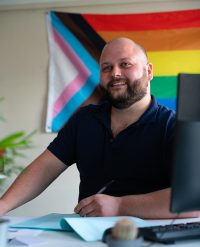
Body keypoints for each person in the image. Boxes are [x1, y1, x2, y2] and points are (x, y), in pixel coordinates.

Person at [0, 37, 198, 219]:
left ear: (149, 71)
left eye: (125, 64)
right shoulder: (84, 119)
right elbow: (45, 168)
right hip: (85, 238)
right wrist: (2, 205)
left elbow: (193, 202)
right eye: (106, 67)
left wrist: (120, 206)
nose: (115, 73)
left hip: (153, 245)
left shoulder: (173, 126)